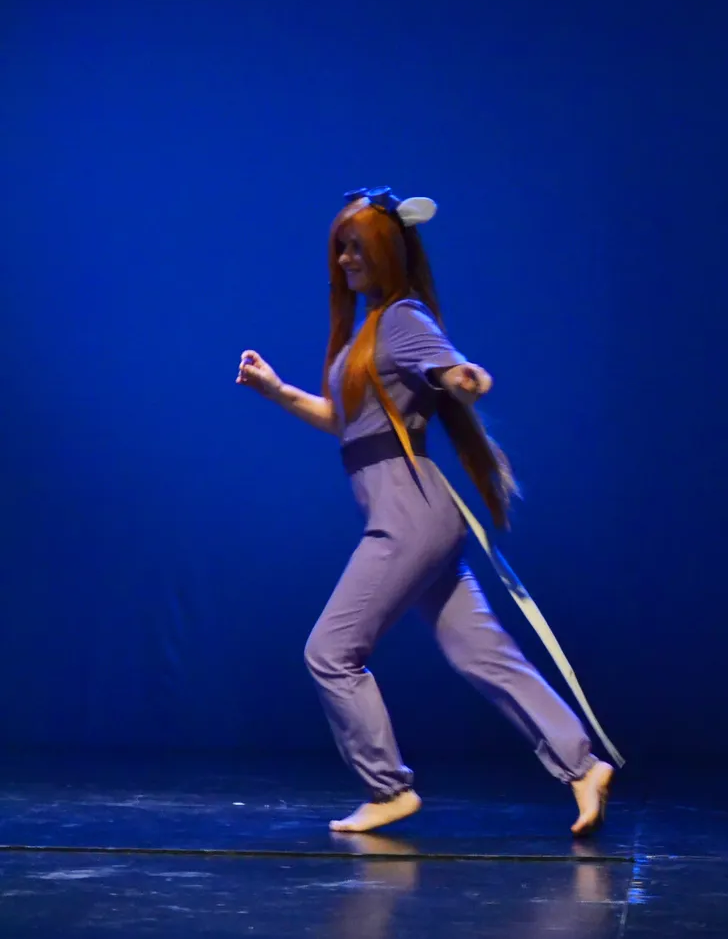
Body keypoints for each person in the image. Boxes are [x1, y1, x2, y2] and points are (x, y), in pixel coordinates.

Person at [236, 186, 614, 834]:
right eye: (341, 249)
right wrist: (276, 391)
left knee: (330, 652)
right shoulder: (368, 332)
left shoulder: (403, 319)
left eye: (358, 248)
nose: (346, 260)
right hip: (418, 514)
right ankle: (582, 767)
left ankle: (387, 788)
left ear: (388, 252)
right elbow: (345, 423)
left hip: (407, 517)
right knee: (481, 653)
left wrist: (463, 379)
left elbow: (449, 369)